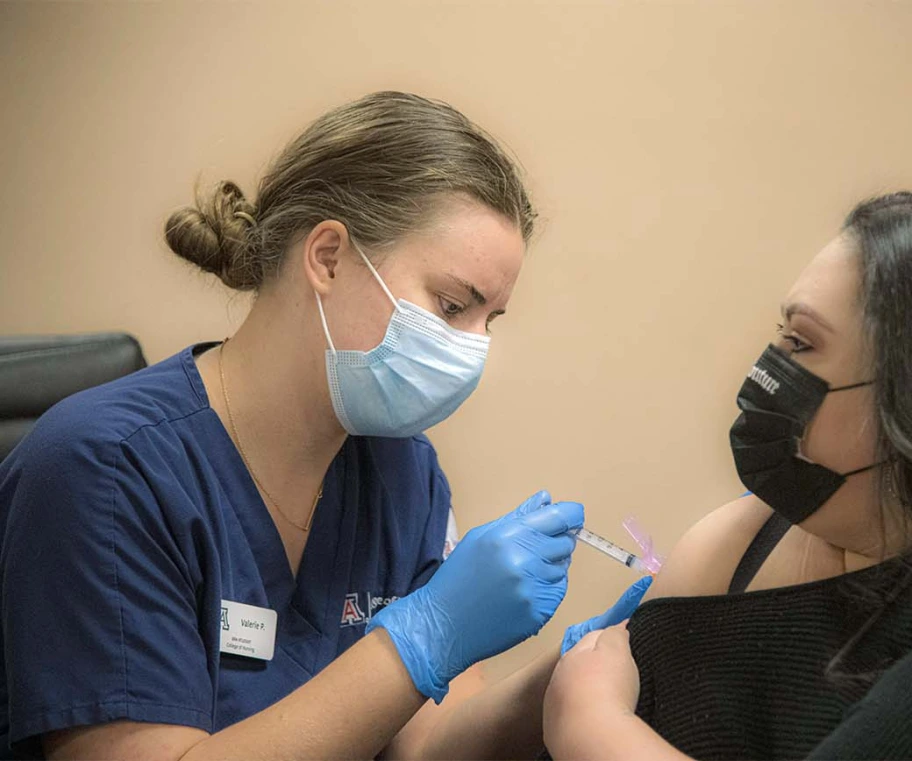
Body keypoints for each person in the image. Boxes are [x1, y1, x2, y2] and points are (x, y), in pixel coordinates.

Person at [0, 91, 589, 760]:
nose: (472, 350)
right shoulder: (103, 470)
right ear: (329, 257)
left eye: (491, 320)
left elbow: (427, 743)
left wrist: (567, 680)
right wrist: (424, 636)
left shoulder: (404, 473)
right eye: (453, 305)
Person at [539, 189, 912, 759]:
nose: (767, 371)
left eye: (801, 343)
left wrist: (590, 723)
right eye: (781, 335)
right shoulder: (751, 537)